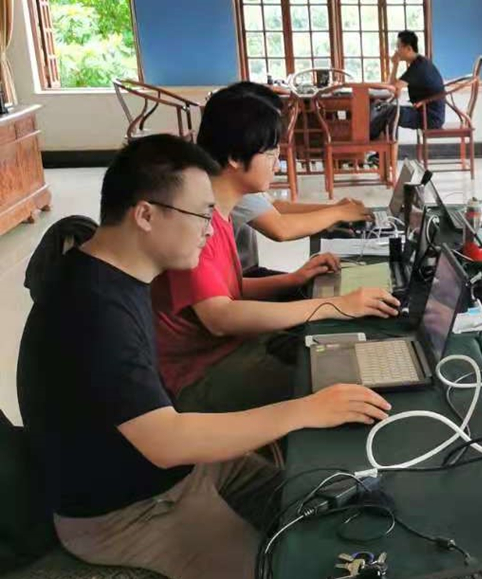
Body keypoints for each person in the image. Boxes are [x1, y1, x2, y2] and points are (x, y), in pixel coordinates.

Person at [17, 134, 392, 579]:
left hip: (175, 474)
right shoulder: (92, 310)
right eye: (200, 215)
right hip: (127, 511)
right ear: (146, 215)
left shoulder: (114, 271)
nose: (210, 230)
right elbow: (165, 442)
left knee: (314, 502)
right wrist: (305, 409)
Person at [152, 89, 400, 413]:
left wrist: (294, 279)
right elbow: (220, 318)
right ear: (234, 158)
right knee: (346, 379)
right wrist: (334, 305)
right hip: (201, 376)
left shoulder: (218, 210)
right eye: (270, 154)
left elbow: (227, 290)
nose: (278, 163)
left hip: (231, 348)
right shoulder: (195, 221)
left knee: (338, 345)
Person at [217, 82, 373, 276]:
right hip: (243, 278)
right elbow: (280, 228)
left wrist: (334, 210)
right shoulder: (227, 187)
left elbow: (275, 206)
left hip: (242, 279)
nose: (276, 166)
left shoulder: (234, 178)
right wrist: (336, 213)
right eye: (270, 152)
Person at [370, 30, 445, 139]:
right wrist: (395, 65)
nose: (397, 51)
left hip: (430, 118)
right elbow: (394, 86)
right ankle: (382, 146)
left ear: (409, 48)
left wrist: (395, 65)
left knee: (391, 112)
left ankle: (369, 138)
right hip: (422, 112)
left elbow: (393, 86)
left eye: (399, 47)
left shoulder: (419, 66)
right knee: (386, 108)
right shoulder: (418, 63)